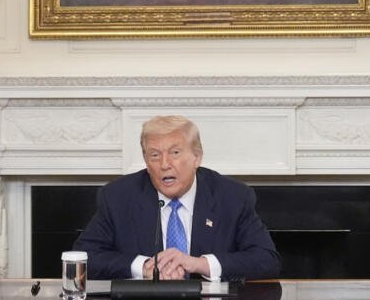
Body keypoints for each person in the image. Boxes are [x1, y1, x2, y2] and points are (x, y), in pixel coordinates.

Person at [73, 115, 280, 281]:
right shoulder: (118, 197)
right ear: (146, 160)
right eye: (154, 155)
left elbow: (266, 260)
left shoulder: (233, 196)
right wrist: (144, 267)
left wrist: (199, 264)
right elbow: (81, 259)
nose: (164, 164)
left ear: (196, 157)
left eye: (175, 153)